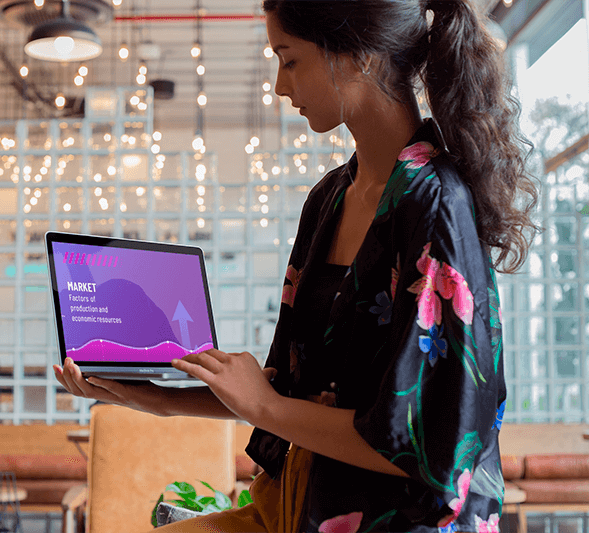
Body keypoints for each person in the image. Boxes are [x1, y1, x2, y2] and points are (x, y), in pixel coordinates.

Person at [54, 0, 539, 531]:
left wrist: (262, 406)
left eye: (289, 60)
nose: (280, 86)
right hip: (298, 502)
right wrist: (150, 397)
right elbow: (284, 388)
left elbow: (429, 450)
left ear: (359, 56)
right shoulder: (329, 198)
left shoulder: (436, 204)